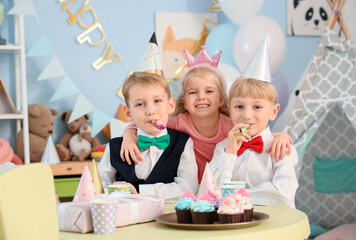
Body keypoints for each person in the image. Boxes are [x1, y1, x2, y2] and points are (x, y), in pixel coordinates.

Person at [120, 46, 293, 183]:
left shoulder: (230, 126)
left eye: (209, 91)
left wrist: (281, 136)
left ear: (220, 99)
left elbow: (256, 132)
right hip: (187, 187)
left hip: (217, 187)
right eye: (193, 92)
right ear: (185, 102)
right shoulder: (178, 123)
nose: (201, 97)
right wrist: (128, 135)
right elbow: (148, 122)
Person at [98, 72, 198, 200]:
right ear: (128, 113)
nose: (150, 111)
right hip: (125, 217)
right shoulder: (114, 147)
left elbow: (188, 188)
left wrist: (141, 191)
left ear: (171, 105)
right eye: (140, 104)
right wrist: (116, 190)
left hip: (168, 216)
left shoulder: (183, 142)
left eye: (157, 101)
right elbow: (98, 186)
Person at [210, 76, 298, 208]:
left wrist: (235, 197)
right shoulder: (223, 147)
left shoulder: (282, 147)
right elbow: (213, 190)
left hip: (275, 223)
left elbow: (283, 196)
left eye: (257, 107)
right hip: (234, 223)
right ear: (230, 111)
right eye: (239, 106)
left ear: (273, 112)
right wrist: (229, 153)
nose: (247, 115)